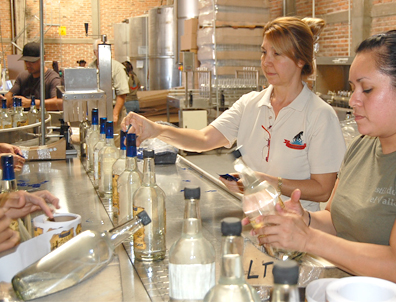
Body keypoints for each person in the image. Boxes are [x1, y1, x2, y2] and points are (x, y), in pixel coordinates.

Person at [122, 17, 346, 211]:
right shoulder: (250, 104)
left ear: (300, 60)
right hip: (253, 221)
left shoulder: (319, 115)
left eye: (277, 54)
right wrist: (157, 130)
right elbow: (204, 140)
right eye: (264, 52)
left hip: (297, 229)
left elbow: (322, 190)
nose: (266, 61)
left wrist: (264, 181)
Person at [251, 30, 396, 282]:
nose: (353, 100)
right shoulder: (361, 147)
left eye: (367, 89)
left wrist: (309, 239)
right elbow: (333, 219)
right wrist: (303, 219)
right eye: (352, 89)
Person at [5, 42, 63, 111]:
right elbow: (9, 95)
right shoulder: (22, 76)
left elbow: (58, 103)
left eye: (32, 62)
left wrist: (31, 103)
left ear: (43, 58)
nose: (28, 65)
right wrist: (4, 100)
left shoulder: (52, 78)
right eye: (26, 61)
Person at [88, 39, 129, 125]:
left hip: (112, 111)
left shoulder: (117, 68)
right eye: (100, 50)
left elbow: (122, 93)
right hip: (95, 112)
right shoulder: (90, 68)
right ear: (95, 52)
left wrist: (115, 114)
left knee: (114, 137)